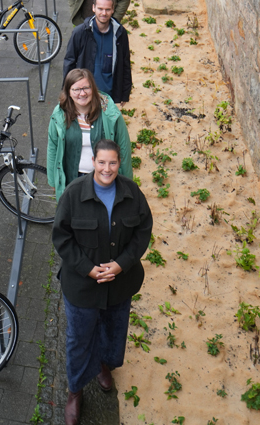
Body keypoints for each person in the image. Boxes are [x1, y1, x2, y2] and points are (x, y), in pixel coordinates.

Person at [52, 139, 153, 425]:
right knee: (79, 338)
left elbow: (142, 232)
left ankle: (102, 366)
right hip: (82, 287)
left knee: (113, 329)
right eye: (101, 162)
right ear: (93, 162)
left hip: (119, 285)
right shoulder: (73, 195)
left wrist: (121, 265)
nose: (106, 169)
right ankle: (75, 391)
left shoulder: (132, 194)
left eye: (112, 163)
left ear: (119, 164)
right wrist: (88, 269)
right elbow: (61, 237)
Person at [47, 68, 132, 202]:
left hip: (104, 177)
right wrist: (53, 179)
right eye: (76, 89)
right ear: (68, 92)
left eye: (86, 87)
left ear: (93, 88)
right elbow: (53, 146)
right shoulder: (59, 114)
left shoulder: (109, 113)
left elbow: (123, 146)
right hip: (73, 178)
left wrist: (127, 181)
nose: (82, 93)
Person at [63, 0, 132, 103]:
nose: (104, 13)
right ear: (93, 8)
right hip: (84, 96)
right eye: (100, 9)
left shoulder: (120, 33)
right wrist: (66, 92)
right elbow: (69, 63)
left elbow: (125, 64)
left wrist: (124, 94)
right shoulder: (80, 33)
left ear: (113, 10)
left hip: (109, 97)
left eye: (108, 9)